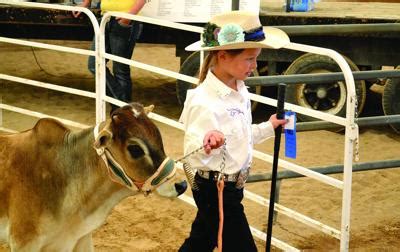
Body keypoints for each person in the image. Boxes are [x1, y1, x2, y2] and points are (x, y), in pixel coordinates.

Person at [178, 11, 290, 252]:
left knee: (201, 240)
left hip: (230, 187)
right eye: (250, 58)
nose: (255, 66)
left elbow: (239, 136)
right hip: (216, 190)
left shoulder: (239, 90)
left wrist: (268, 127)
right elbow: (192, 152)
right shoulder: (203, 101)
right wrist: (206, 143)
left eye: (256, 58)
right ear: (223, 55)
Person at [73, 0, 146, 111]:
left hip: (124, 20)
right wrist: (86, 3)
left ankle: (122, 109)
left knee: (120, 70)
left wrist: (128, 17)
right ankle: (123, 106)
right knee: (94, 65)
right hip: (105, 19)